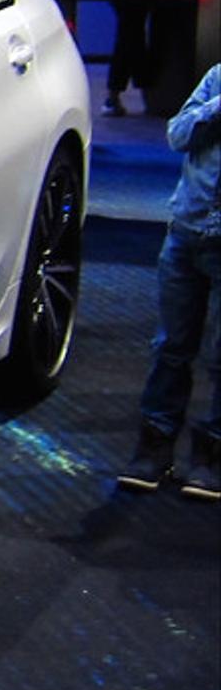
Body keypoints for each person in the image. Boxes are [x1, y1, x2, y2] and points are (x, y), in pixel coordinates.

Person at [121, 62, 221, 501]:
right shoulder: (219, 78)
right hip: (186, 231)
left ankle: (211, 457)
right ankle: (155, 447)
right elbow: (177, 134)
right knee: (171, 347)